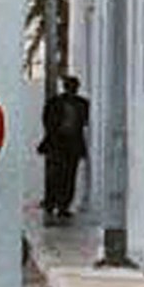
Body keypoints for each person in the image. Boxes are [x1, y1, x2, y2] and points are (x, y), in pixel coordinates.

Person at [38, 75, 91, 225]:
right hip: (57, 143)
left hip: (72, 145)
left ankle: (63, 205)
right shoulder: (55, 102)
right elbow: (47, 121)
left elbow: (84, 122)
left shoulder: (82, 104)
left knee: (69, 175)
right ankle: (51, 202)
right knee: (54, 175)